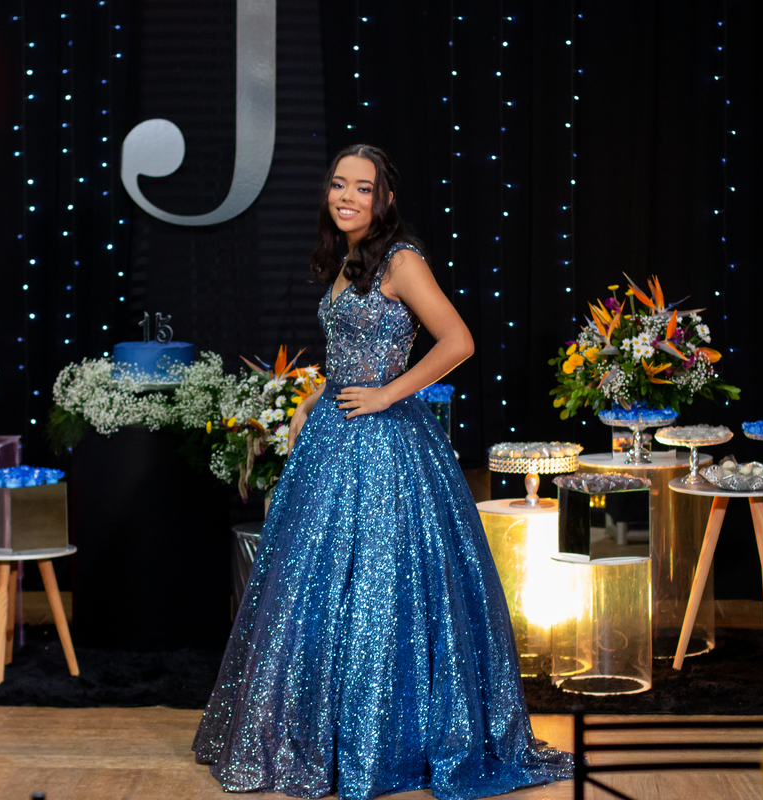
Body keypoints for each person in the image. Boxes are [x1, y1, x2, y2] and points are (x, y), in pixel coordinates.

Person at [194, 145, 573, 800]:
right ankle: (326, 737)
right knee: (319, 589)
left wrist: (387, 394)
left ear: (385, 199)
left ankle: (385, 742)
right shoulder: (349, 258)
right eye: (338, 185)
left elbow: (458, 340)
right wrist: (313, 397)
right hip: (334, 437)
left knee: (381, 585)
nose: (347, 197)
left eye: (362, 188)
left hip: (386, 446)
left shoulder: (401, 260)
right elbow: (351, 348)